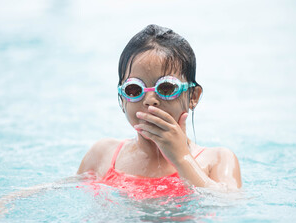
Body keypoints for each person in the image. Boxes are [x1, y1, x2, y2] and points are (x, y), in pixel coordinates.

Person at [77, 24, 241, 199]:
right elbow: (68, 191)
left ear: (193, 96)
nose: (149, 100)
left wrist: (182, 158)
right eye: (134, 89)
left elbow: (228, 202)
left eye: (166, 88)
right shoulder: (103, 154)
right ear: (122, 99)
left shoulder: (216, 160)